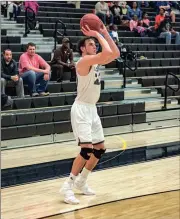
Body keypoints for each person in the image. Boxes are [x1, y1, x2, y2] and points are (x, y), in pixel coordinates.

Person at [60, 24, 120, 204]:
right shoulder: (83, 61)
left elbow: (114, 53)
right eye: (91, 44)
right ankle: (67, 186)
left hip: (92, 109)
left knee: (100, 149)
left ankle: (82, 181)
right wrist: (96, 33)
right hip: (81, 109)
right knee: (86, 149)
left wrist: (103, 33)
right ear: (82, 49)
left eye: (95, 43)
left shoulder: (94, 60)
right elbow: (106, 52)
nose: (94, 45)